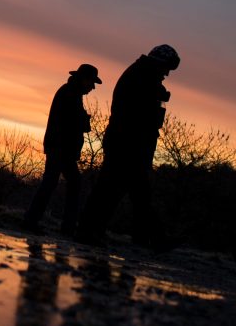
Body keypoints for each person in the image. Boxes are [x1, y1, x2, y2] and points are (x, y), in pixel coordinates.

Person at [76, 45, 180, 249]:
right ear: (159, 63)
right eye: (166, 68)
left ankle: (148, 238)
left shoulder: (143, 75)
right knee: (112, 190)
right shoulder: (142, 77)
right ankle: (90, 231)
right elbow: (138, 113)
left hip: (130, 144)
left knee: (132, 192)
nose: (167, 74)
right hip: (126, 145)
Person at [22, 64, 100, 235]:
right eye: (92, 82)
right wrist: (84, 121)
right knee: (56, 183)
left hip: (62, 148)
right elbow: (74, 123)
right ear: (84, 79)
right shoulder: (70, 93)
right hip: (60, 148)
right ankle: (37, 222)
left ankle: (50, 223)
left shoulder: (71, 92)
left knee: (63, 183)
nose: (93, 87)